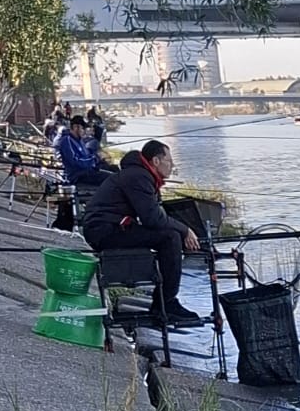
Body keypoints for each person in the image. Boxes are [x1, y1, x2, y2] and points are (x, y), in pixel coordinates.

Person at [81, 139, 206, 330]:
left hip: (110, 227)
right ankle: (166, 303)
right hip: (104, 231)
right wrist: (185, 230)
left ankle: (164, 301)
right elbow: (152, 219)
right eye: (169, 161)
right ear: (156, 161)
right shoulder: (139, 177)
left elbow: (154, 216)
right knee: (170, 237)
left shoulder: (141, 175)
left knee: (170, 235)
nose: (172, 165)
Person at [51, 116, 112, 188]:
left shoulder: (79, 140)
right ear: (75, 127)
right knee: (109, 178)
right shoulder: (67, 141)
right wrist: (93, 159)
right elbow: (76, 161)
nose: (84, 131)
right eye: (82, 128)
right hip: (77, 175)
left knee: (113, 169)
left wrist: (98, 157)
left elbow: (87, 155)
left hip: (87, 171)